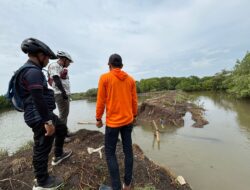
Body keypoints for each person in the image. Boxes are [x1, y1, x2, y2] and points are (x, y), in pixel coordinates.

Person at [18, 38, 72, 190]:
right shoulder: (32, 72)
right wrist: (47, 122)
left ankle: (59, 155)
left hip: (42, 112)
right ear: (40, 55)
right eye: (47, 57)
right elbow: (37, 98)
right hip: (38, 115)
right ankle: (42, 182)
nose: (48, 60)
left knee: (61, 128)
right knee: (42, 146)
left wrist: (50, 119)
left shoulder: (32, 70)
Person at [96, 53, 138, 190]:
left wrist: (98, 118)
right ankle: (127, 184)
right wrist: (134, 115)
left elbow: (101, 100)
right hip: (128, 122)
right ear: (122, 66)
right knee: (128, 151)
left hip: (113, 124)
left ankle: (116, 187)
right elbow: (134, 101)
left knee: (110, 153)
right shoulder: (131, 80)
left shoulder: (105, 78)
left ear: (109, 65)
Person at [48, 51, 73, 142]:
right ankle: (61, 136)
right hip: (60, 94)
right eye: (69, 61)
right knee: (63, 115)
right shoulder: (55, 65)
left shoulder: (61, 67)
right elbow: (56, 79)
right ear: (64, 59)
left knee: (64, 114)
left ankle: (64, 131)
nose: (69, 63)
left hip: (63, 93)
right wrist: (63, 93)